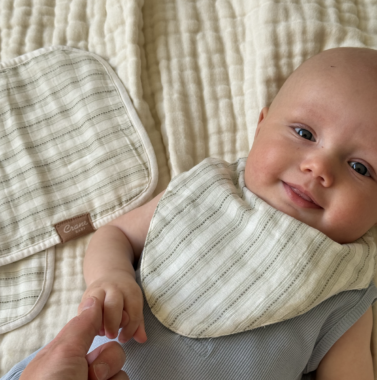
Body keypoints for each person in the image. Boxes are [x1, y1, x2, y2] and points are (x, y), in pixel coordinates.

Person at [3, 46, 377, 379]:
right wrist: (111, 278)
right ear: (260, 126)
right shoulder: (209, 190)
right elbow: (114, 235)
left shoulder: (348, 281)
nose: (319, 168)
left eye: (360, 168)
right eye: (304, 133)